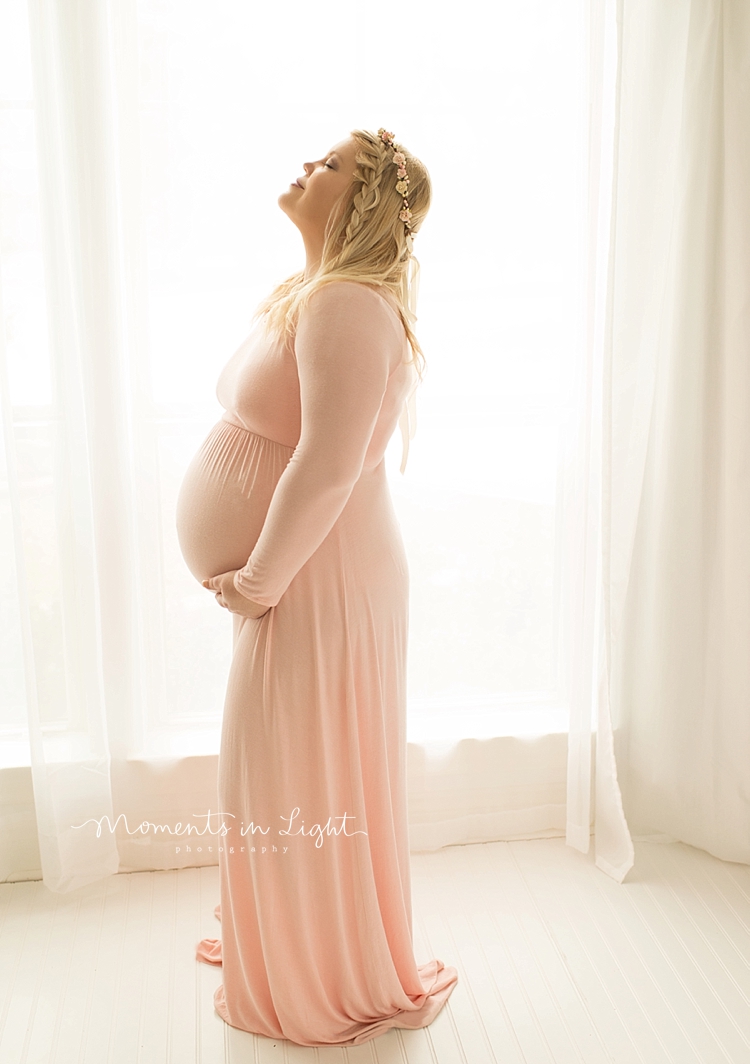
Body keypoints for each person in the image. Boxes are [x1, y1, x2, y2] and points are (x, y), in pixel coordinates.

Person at [175, 127, 458, 1047]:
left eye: (330, 163)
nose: (307, 166)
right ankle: (288, 939)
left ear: (365, 199)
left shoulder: (347, 303)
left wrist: (259, 577)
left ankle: (316, 967)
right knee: (285, 770)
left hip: (316, 577)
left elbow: (330, 469)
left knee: (293, 771)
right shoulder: (319, 296)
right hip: (307, 571)